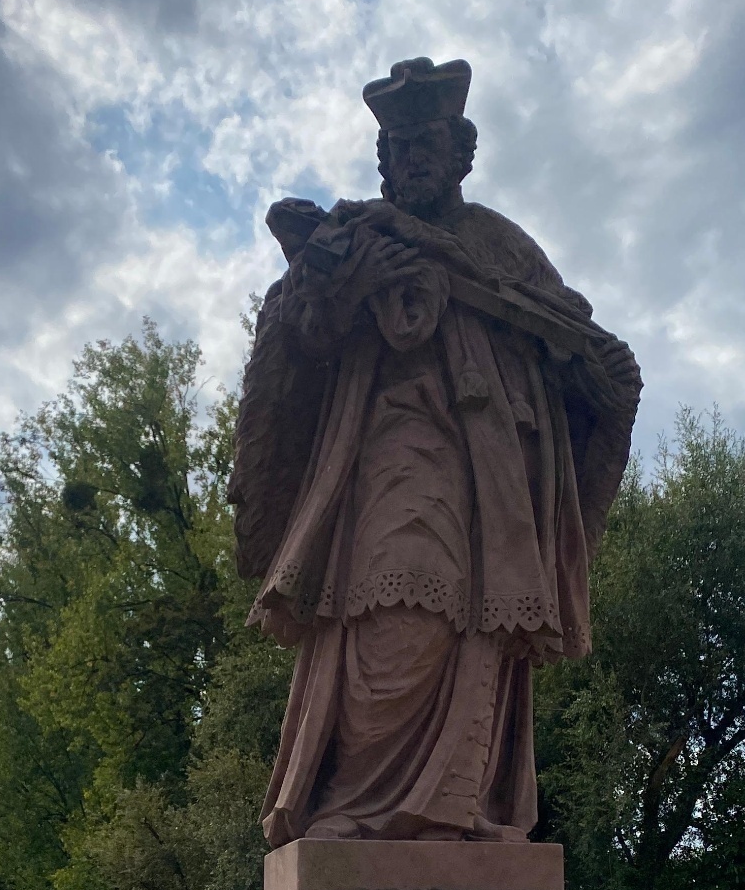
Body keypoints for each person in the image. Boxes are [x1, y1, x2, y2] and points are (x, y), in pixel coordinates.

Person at [229, 56, 642, 846]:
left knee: (477, 625)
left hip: (491, 471)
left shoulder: (499, 244)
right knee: (392, 609)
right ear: (384, 162)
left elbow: (567, 337)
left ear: (459, 155)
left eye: (427, 145)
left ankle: (461, 810)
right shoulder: (357, 236)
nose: (412, 159)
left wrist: (601, 375)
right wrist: (349, 287)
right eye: (399, 148)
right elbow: (305, 337)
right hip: (386, 451)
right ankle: (352, 805)